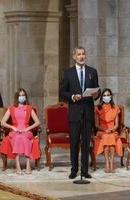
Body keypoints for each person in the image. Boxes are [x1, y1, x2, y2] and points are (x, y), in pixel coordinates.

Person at [60, 46, 100, 179]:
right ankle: (74, 169)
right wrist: (72, 96)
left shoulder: (92, 72)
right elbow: (62, 92)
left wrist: (95, 95)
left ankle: (84, 170)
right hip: (75, 112)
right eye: (79, 54)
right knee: (74, 142)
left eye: (83, 54)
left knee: (86, 142)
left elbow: (97, 91)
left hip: (88, 112)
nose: (81, 56)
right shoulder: (68, 73)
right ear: (74, 57)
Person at [0, 88, 40, 174]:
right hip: (15, 130)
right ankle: (17, 164)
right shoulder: (11, 108)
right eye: (20, 95)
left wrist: (27, 129)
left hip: (26, 130)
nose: (22, 97)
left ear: (25, 96)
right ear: (17, 97)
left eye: (23, 95)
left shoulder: (29, 108)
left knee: (24, 136)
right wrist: (12, 127)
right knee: (17, 137)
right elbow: (2, 122)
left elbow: (37, 122)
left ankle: (28, 162)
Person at [93, 88, 122, 173]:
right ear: (102, 97)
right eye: (104, 95)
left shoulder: (115, 108)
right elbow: (96, 124)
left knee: (111, 137)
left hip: (113, 130)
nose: (106, 97)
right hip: (102, 131)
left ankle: (111, 163)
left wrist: (111, 129)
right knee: (106, 137)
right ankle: (107, 164)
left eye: (108, 95)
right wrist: (104, 129)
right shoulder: (98, 108)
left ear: (111, 96)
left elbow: (116, 124)